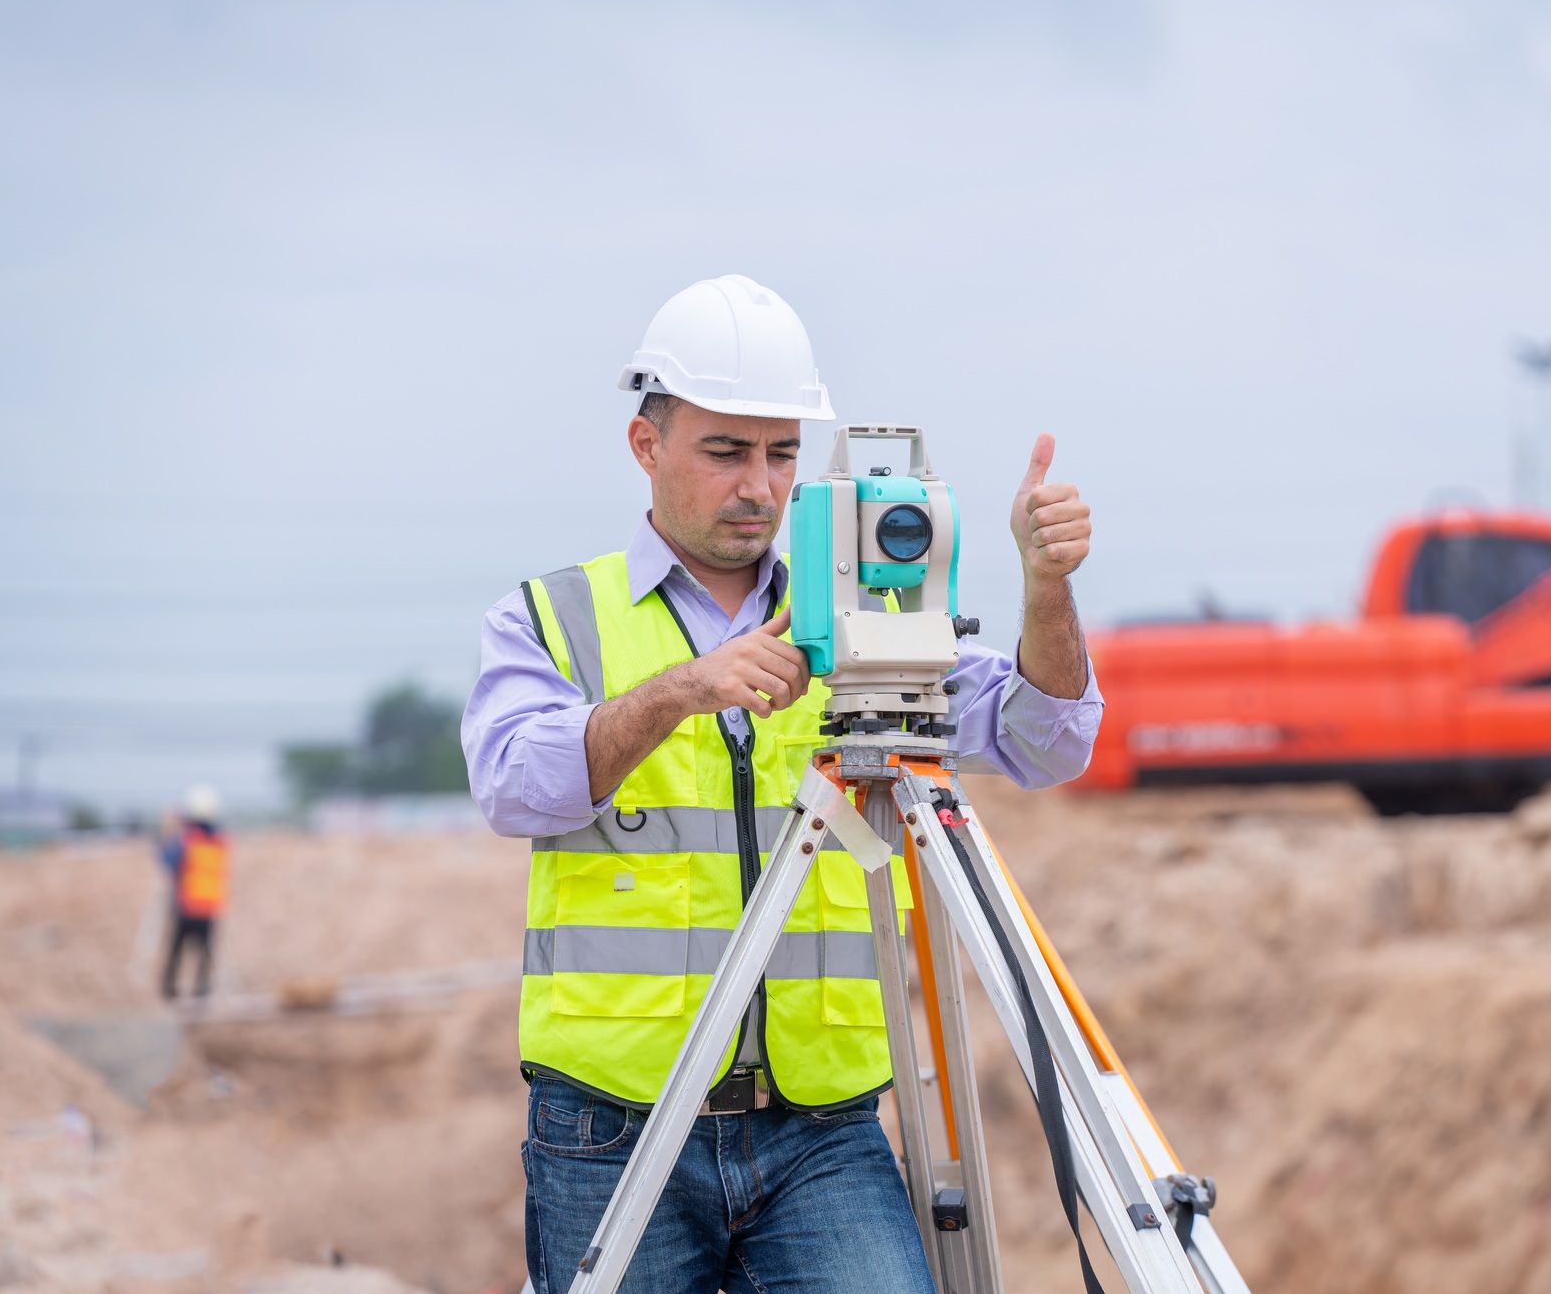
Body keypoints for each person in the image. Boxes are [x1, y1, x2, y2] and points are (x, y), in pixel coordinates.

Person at [461, 274, 1101, 1294]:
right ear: (646, 446)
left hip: (820, 1131)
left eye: (781, 452)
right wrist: (677, 691)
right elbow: (511, 787)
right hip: (611, 1124)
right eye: (724, 451)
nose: (758, 483)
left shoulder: (860, 611)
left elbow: (1048, 738)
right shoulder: (554, 617)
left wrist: (1046, 588)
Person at [159, 783, 229, 1000]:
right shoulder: (220, 839)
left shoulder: (187, 838)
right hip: (210, 904)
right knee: (205, 952)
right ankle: (201, 988)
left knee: (177, 948)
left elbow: (169, 862)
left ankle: (169, 988)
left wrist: (166, 835)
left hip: (187, 905)